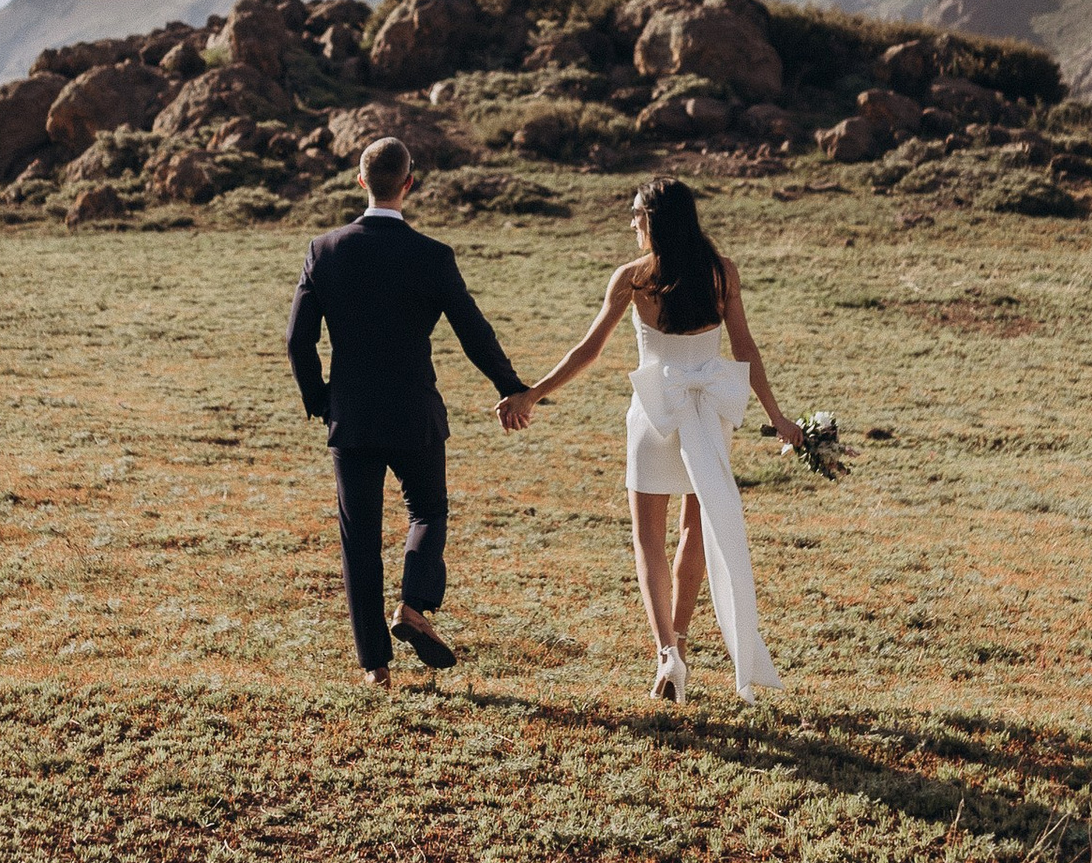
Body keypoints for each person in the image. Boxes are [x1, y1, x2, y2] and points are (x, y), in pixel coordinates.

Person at [525, 176, 796, 700]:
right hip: (710, 414)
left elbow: (588, 350)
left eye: (636, 213)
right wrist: (778, 417)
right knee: (696, 528)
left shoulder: (632, 278)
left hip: (655, 413)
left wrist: (533, 394)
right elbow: (745, 350)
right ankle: (683, 641)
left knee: (648, 540)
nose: (631, 222)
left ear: (653, 219)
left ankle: (666, 653)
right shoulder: (721, 273)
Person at [286, 137, 535, 687]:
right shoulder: (432, 255)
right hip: (414, 413)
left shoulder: (324, 250)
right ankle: (414, 604)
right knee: (427, 511)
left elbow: (298, 341)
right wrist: (512, 387)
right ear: (410, 183)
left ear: (360, 181)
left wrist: (321, 400)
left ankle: (375, 666)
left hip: (351, 416)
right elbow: (473, 332)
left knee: (359, 537)